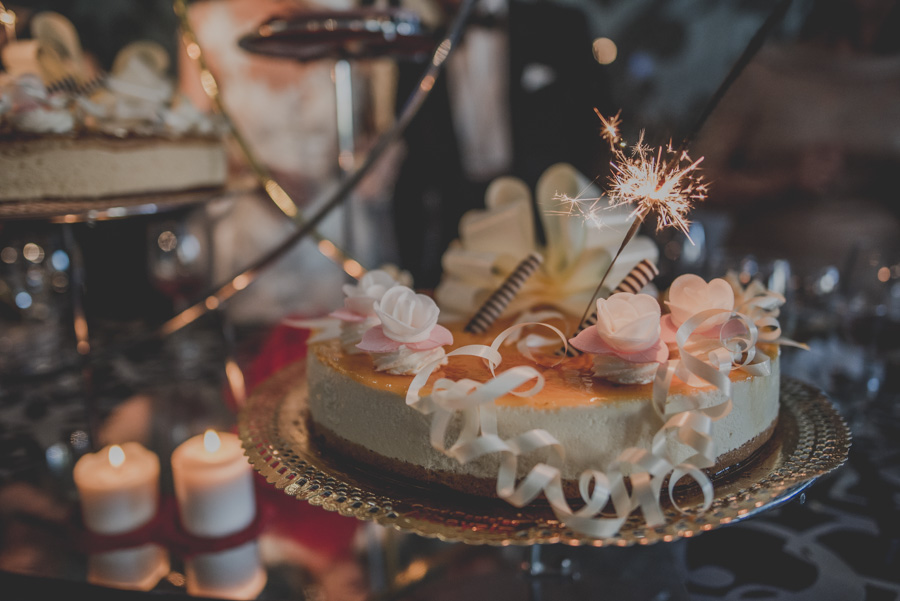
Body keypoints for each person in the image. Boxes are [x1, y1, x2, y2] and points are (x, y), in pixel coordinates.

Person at [693, 0, 900, 274]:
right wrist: (783, 179)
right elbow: (694, 179)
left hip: (872, 288)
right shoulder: (769, 71)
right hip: (757, 279)